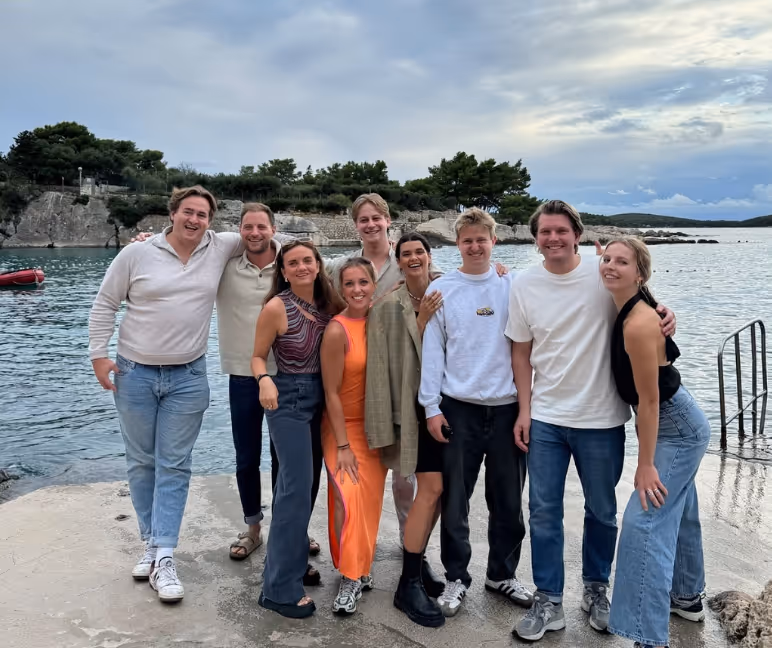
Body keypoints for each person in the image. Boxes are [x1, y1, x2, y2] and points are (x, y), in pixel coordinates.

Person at [506, 200, 676, 641]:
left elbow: (640, 303)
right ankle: (549, 600)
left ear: (576, 234)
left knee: (601, 511)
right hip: (545, 417)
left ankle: (597, 589)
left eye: (561, 231)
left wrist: (666, 313)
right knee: (543, 512)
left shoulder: (601, 274)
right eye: (545, 232)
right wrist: (524, 410)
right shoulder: (524, 285)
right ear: (535, 237)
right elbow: (520, 352)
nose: (553, 239)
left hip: (602, 419)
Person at [88, 185, 242, 603]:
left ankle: (165, 555)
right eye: (188, 212)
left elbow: (266, 236)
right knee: (141, 462)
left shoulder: (222, 246)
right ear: (172, 213)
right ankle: (152, 544)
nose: (195, 221)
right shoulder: (136, 254)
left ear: (211, 220)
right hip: (134, 373)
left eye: (203, 215)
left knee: (174, 465)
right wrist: (98, 356)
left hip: (188, 376)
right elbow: (105, 303)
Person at [418, 208, 532, 619]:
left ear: (493, 241)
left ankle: (502, 573)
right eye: (467, 240)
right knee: (455, 502)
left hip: (506, 411)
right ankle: (456, 577)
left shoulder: (512, 284)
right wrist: (431, 407)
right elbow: (433, 352)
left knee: (508, 501)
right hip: (458, 409)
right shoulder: (443, 290)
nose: (475, 246)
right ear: (457, 244)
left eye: (482, 239)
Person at [601, 237, 710, 648]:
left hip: (676, 426)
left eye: (621, 262)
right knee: (678, 509)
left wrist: (644, 464)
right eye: (607, 258)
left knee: (644, 522)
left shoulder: (639, 321)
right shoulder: (628, 301)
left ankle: (647, 636)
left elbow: (649, 402)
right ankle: (686, 596)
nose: (610, 266)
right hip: (677, 418)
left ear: (640, 274)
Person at [325, 194, 429, 543]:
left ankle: (407, 541)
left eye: (376, 218)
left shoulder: (405, 259)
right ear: (355, 225)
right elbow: (305, 274)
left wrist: (498, 269)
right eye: (363, 219)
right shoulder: (342, 266)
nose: (370, 224)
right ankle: (356, 548)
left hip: (398, 375)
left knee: (404, 475)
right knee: (362, 478)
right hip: (356, 375)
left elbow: (439, 281)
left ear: (388, 220)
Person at [252, 240, 344, 619]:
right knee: (293, 491)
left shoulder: (330, 305)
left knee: (305, 490)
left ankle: (290, 567)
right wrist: (264, 380)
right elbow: (258, 355)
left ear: (319, 264)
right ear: (284, 271)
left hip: (323, 400)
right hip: (287, 398)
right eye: (294, 263)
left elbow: (368, 301)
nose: (303, 267)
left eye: (309, 260)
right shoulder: (276, 307)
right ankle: (277, 590)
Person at [365, 232, 448, 627]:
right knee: (414, 486)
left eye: (420, 252)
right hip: (409, 408)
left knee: (440, 491)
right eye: (407, 254)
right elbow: (381, 370)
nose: (414, 258)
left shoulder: (450, 288)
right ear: (399, 262)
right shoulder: (386, 307)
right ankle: (411, 568)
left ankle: (418, 560)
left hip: (451, 407)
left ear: (430, 256)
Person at [320, 257, 388, 615]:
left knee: (370, 503)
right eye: (349, 284)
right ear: (339, 288)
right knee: (349, 498)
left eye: (364, 282)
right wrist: (343, 445)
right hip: (342, 428)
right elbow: (330, 392)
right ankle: (350, 578)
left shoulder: (381, 319)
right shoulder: (336, 329)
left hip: (375, 428)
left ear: (374, 284)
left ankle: (360, 564)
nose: (358, 289)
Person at [217, 203, 281, 561]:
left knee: (284, 459)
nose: (254, 233)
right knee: (246, 457)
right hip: (242, 375)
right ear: (239, 230)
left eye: (261, 226)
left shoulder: (288, 265)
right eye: (247, 227)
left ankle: (292, 529)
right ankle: (253, 527)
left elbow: (332, 272)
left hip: (284, 374)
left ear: (273, 229)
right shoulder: (224, 268)